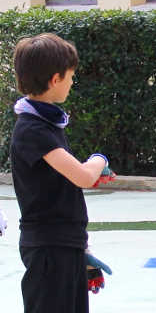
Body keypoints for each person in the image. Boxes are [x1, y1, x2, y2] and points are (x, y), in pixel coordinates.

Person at [10, 33, 115, 313]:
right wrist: (99, 159)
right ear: (55, 79)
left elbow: (63, 183)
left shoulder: (46, 123)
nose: (72, 82)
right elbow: (83, 176)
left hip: (64, 244)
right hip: (48, 249)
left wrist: (81, 251)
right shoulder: (32, 129)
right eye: (70, 76)